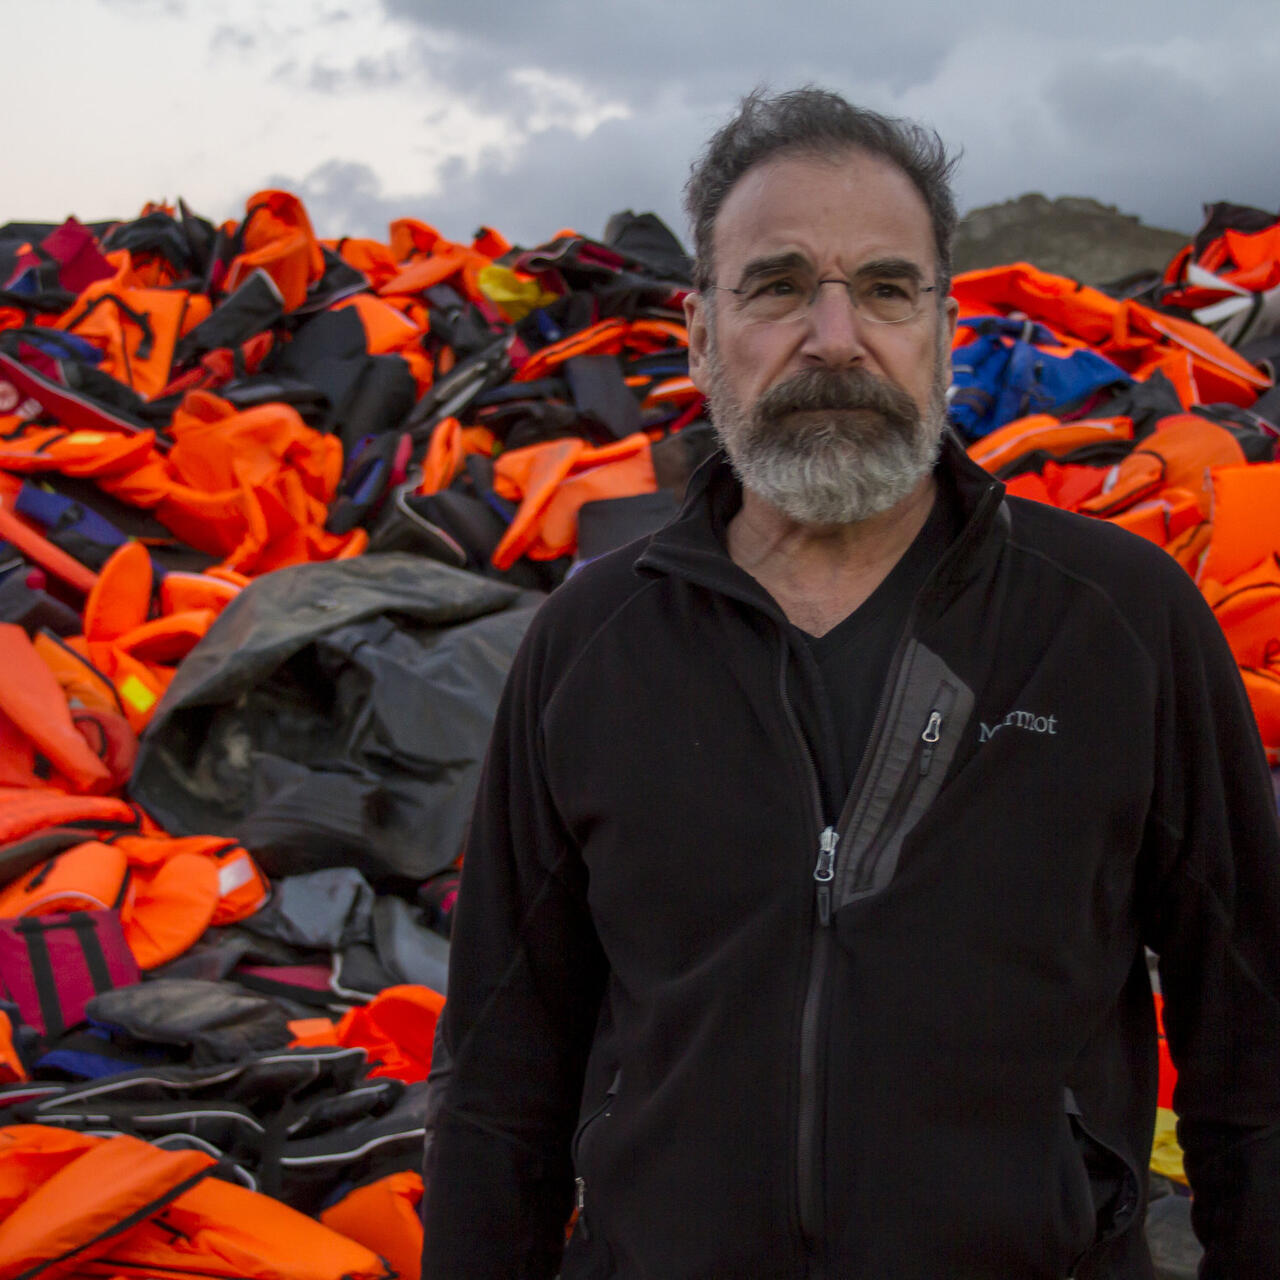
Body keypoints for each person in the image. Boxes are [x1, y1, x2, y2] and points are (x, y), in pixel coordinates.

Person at [421, 88, 1280, 1278]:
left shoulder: (1116, 625)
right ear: (696, 331)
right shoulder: (589, 643)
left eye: (884, 288)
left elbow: (1255, 1046)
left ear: (939, 326)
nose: (835, 336)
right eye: (777, 286)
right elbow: (498, 1079)